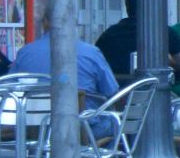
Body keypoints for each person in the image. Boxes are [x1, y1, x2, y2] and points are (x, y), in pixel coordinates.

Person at [10, 9, 119, 139]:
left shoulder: (25, 52)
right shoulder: (91, 53)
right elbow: (112, 92)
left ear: (45, 22)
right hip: (82, 130)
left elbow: (10, 90)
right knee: (116, 123)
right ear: (74, 24)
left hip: (35, 131)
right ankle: (101, 153)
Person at [96, 0, 180, 79]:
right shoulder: (162, 33)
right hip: (153, 93)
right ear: (155, 9)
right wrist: (169, 61)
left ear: (128, 8)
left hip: (115, 95)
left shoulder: (109, 35)